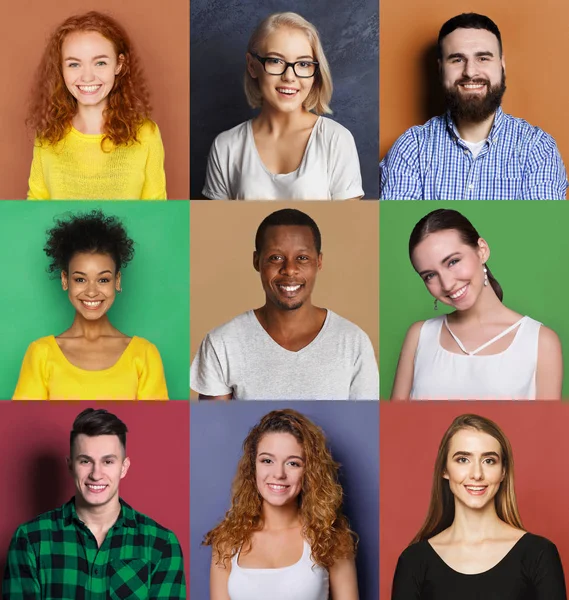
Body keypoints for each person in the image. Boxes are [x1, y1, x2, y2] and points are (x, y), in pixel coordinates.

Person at [190, 208, 379, 400]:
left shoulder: (353, 341)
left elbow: (363, 423)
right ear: (257, 261)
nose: (289, 270)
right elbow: (214, 427)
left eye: (302, 258)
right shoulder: (222, 343)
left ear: (319, 262)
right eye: (276, 258)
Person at [380, 13, 567, 200]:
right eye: (457, 60)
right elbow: (400, 229)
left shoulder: (537, 149)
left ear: (502, 65)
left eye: (483, 58)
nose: (470, 72)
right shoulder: (411, 148)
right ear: (440, 69)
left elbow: (541, 229)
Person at [2, 408, 186, 598]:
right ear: (71, 466)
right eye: (85, 461)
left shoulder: (161, 544)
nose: (96, 475)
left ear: (124, 468)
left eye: (108, 462)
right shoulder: (30, 539)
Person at [391, 209, 562, 400]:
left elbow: (547, 427)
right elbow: (395, 424)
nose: (447, 284)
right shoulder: (419, 335)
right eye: (430, 275)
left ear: (482, 250)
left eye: (453, 261)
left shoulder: (540, 341)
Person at [391, 414, 566, 599]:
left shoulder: (539, 554)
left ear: (503, 471)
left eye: (488, 461)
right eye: (463, 459)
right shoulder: (414, 561)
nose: (477, 474)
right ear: (444, 469)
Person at [203, 12, 363, 200]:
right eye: (276, 61)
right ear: (252, 65)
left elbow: (350, 227)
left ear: (315, 72)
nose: (289, 76)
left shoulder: (336, 140)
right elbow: (215, 228)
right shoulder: (226, 146)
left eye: (303, 63)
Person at [12, 210, 168, 400]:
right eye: (80, 279)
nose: (92, 292)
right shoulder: (40, 354)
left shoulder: (144, 354)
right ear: (64, 279)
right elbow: (28, 426)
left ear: (117, 281)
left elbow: (154, 426)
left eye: (103, 280)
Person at [205, 409, 359, 600]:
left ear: (309, 471)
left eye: (293, 463)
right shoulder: (227, 541)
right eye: (267, 460)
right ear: (253, 467)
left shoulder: (331, 539)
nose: (278, 473)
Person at [27, 11, 166, 200]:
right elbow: (35, 207)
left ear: (119, 65)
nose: (87, 77)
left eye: (100, 62)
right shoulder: (47, 136)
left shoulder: (146, 133)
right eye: (74, 64)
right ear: (61, 68)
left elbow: (156, 211)